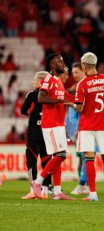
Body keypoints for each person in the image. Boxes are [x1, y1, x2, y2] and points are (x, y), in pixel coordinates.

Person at [71, 52, 104, 202]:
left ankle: (93, 194)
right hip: (103, 124)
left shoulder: (82, 84)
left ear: (84, 66)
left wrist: (72, 104)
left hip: (87, 125)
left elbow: (79, 108)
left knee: (89, 158)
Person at [30, 53, 74, 200]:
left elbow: (66, 98)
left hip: (59, 124)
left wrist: (72, 102)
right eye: (59, 61)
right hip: (51, 123)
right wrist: (59, 101)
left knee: (57, 156)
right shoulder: (48, 79)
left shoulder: (59, 81)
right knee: (61, 155)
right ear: (52, 65)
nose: (62, 63)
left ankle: (57, 192)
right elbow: (41, 97)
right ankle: (38, 181)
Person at [21, 71, 52, 199]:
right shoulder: (52, 95)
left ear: (40, 81)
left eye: (34, 80)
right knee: (47, 161)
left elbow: (23, 110)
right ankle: (45, 190)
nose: (33, 82)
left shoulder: (32, 95)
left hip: (34, 133)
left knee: (31, 161)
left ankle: (33, 190)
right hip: (48, 132)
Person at [67, 62, 89, 196]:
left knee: (86, 156)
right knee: (82, 158)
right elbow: (72, 115)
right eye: (73, 73)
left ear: (83, 71)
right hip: (79, 129)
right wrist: (78, 126)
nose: (74, 75)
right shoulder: (74, 89)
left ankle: (83, 184)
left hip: (90, 127)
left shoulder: (87, 87)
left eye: (76, 72)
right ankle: (84, 184)